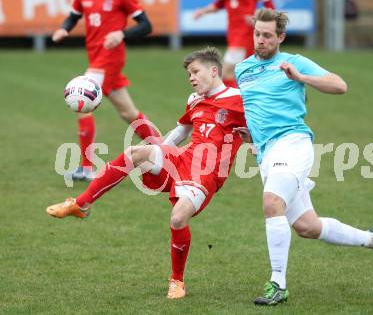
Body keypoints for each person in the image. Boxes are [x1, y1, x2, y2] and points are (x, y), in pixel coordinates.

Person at [233, 8, 373, 306]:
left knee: (271, 203)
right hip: (267, 152)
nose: (260, 40)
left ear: (281, 37)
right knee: (307, 227)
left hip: (294, 143)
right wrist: (252, 137)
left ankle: (278, 284)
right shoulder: (242, 70)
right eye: (257, 34)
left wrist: (301, 77)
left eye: (267, 36)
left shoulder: (294, 63)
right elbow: (257, 110)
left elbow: (340, 85)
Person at [46, 47, 246, 299]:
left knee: (177, 219)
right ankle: (81, 204)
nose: (192, 78)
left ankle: (177, 281)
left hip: (207, 173)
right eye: (189, 75)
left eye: (195, 72)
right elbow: (181, 132)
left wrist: (255, 144)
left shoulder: (240, 99)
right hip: (184, 157)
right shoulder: (194, 99)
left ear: (214, 71)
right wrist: (157, 149)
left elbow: (262, 127)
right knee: (135, 153)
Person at [52, 0, 160, 181]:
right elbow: (73, 16)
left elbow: (146, 25)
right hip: (96, 59)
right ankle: (166, 151)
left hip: (109, 58)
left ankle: (87, 169)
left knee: (81, 101)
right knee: (128, 113)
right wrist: (64, 29)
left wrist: (122, 34)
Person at [193, 0, 275, 88]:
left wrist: (260, 20)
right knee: (246, 75)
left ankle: (235, 100)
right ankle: (243, 98)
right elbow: (217, 5)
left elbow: (271, 9)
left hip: (243, 37)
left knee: (227, 72)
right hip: (234, 38)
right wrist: (202, 11)